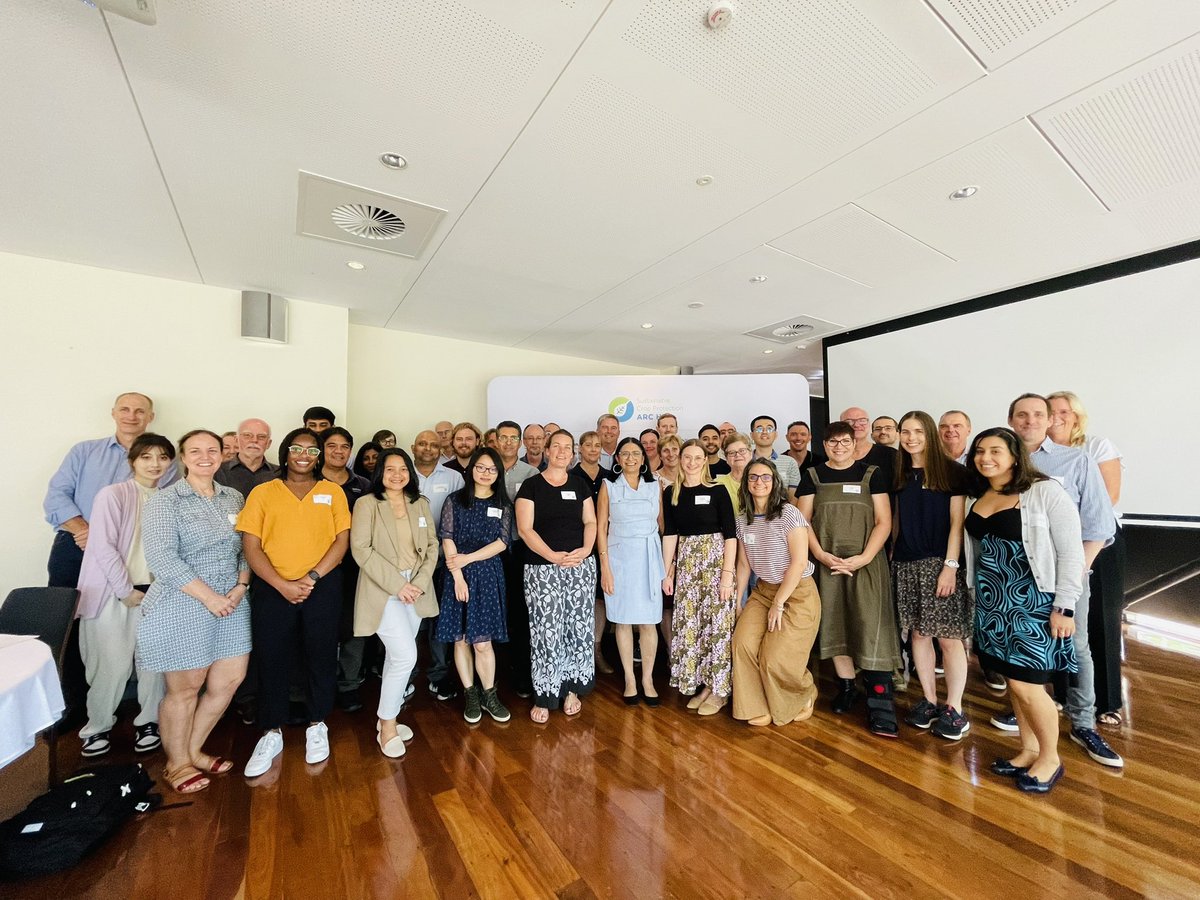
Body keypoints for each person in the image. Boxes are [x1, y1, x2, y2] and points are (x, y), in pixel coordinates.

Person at [1003, 394, 1121, 768]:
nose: (1031, 421)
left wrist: (1074, 576)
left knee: (1077, 646)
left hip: (1066, 575)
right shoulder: (1000, 459)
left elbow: (1099, 525)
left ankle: (1083, 723)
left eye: (1039, 414)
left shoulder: (1076, 460)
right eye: (1022, 415)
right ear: (1011, 420)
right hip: (1014, 578)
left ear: (1050, 420)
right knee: (1020, 651)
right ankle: (1031, 721)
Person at [966, 427, 1083, 793]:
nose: (986, 458)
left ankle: (1051, 757)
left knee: (1028, 684)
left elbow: (1071, 552)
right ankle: (1029, 748)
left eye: (996, 451)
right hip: (992, 603)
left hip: (1032, 602)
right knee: (1015, 683)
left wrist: (1064, 606)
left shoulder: (1044, 491)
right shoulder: (981, 494)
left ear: (1015, 455)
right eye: (980, 451)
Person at [44, 391, 171, 723]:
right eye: (125, 409)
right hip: (76, 544)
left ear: (150, 416)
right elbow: (57, 496)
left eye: (139, 411)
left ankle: (143, 715)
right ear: (113, 413)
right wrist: (85, 530)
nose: (132, 415)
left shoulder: (165, 465)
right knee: (73, 628)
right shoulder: (86, 451)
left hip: (138, 557)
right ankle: (73, 709)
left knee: (141, 647)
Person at [136, 429, 250, 794]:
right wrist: (208, 597)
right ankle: (177, 762)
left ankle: (193, 749)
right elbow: (162, 558)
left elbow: (248, 546)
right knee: (185, 688)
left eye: (212, 450)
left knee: (227, 681)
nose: (205, 456)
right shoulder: (166, 500)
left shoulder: (233, 496)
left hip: (232, 600)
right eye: (195, 451)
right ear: (183, 457)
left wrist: (241, 585)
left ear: (222, 455)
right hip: (184, 600)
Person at [238, 428, 351, 777]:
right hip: (273, 589)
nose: (304, 454)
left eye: (312, 450)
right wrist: (281, 584)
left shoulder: (332, 492)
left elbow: (341, 540)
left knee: (320, 654)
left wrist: (311, 578)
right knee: (272, 658)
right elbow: (251, 547)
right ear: (286, 452)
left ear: (319, 457)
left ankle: (318, 724)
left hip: (322, 587)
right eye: (297, 448)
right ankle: (271, 730)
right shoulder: (262, 493)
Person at [795, 421, 900, 737]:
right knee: (835, 621)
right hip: (827, 563)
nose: (838, 447)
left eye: (844, 441)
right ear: (824, 445)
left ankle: (880, 700)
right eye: (832, 442)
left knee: (871, 623)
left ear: (855, 443)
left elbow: (884, 521)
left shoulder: (871, 474)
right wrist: (822, 555)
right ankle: (846, 686)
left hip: (866, 563)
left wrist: (865, 557)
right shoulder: (813, 476)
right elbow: (803, 522)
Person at [76, 433, 174, 758]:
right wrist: (124, 590)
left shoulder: (168, 498)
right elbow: (101, 546)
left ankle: (149, 722)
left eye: (162, 457)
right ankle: (97, 727)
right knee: (110, 664)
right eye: (147, 457)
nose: (155, 463)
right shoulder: (113, 494)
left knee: (152, 665)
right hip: (111, 593)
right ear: (133, 461)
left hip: (155, 593)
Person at [351, 448, 440, 756]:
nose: (397, 474)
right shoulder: (367, 504)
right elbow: (361, 550)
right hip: (383, 588)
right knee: (405, 656)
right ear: (380, 473)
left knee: (395, 657)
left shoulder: (420, 503)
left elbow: (432, 545)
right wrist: (399, 585)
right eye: (390, 469)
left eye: (403, 469)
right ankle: (387, 724)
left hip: (416, 589)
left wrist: (417, 583)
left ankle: (384, 718)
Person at [891, 411, 974, 740]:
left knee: (949, 638)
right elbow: (897, 518)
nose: (910, 437)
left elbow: (957, 523)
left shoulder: (952, 473)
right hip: (906, 564)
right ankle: (928, 699)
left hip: (941, 564)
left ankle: (955, 708)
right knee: (918, 636)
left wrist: (950, 567)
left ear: (929, 434)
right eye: (904, 432)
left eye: (917, 432)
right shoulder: (898, 473)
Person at [1047, 390, 1125, 727]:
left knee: (1100, 624)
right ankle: (1063, 695)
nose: (1058, 416)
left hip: (1098, 543)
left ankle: (1105, 702)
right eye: (1051, 410)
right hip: (1054, 548)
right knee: (1059, 625)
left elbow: (1108, 497)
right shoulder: (1036, 453)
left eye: (1065, 411)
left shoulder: (1096, 447)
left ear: (1076, 416)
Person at [516, 430, 598, 722]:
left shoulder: (580, 485)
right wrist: (551, 556)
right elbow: (525, 529)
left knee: (578, 628)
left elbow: (591, 521)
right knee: (546, 629)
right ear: (547, 451)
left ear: (572, 452)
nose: (563, 451)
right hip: (542, 568)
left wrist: (586, 550)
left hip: (580, 566)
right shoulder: (531, 486)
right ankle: (545, 693)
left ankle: (572, 689)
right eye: (557, 446)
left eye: (568, 447)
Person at [732, 459, 821, 727]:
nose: (759, 482)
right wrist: (738, 602)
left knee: (775, 657)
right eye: (753, 477)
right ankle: (755, 704)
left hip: (796, 594)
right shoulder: (742, 518)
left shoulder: (789, 514)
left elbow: (799, 562)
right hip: (763, 592)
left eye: (766, 477)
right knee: (742, 643)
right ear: (746, 483)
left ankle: (805, 693)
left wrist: (779, 603)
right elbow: (744, 564)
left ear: (775, 482)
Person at [438, 447, 513, 726]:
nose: (485, 473)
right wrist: (458, 575)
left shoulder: (503, 504)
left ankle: (489, 693)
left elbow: (502, 542)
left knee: (482, 642)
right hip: (455, 574)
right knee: (460, 638)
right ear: (471, 470)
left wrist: (468, 558)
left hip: (487, 573)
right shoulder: (455, 500)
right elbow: (447, 537)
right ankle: (470, 693)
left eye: (492, 469)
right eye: (480, 467)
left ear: (498, 473)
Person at [662, 439, 737, 716]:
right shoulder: (672, 492)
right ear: (680, 460)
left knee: (717, 626)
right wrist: (666, 571)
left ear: (705, 461)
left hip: (716, 564)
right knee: (693, 624)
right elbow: (670, 533)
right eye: (687, 457)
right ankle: (705, 684)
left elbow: (731, 535)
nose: (692, 462)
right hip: (688, 565)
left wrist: (727, 576)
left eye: (697, 457)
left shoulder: (718, 491)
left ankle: (720, 691)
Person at [597, 438, 665, 706]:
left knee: (648, 622)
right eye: (624, 453)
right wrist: (605, 567)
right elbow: (601, 528)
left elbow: (662, 526)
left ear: (643, 458)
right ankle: (629, 678)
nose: (630, 458)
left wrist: (666, 566)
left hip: (649, 558)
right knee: (623, 620)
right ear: (617, 459)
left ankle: (647, 679)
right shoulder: (608, 487)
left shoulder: (654, 486)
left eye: (635, 453)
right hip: (619, 559)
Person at [319, 428, 372, 712]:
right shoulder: (310, 482)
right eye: (332, 446)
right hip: (316, 568)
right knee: (320, 629)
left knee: (354, 628)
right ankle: (318, 686)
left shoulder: (363, 485)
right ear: (322, 449)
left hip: (355, 567)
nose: (338, 451)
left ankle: (349, 685)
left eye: (344, 446)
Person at [411, 430, 466, 700]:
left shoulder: (453, 477)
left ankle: (438, 675)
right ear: (413, 447)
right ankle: (406, 678)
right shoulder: (403, 474)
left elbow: (458, 518)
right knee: (409, 621)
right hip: (409, 561)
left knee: (438, 620)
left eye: (434, 445)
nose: (429, 449)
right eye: (423, 444)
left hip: (443, 559)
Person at [570, 431, 614, 676]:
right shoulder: (570, 477)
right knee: (579, 599)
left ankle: (596, 650)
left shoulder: (610, 477)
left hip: (606, 546)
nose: (594, 449)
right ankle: (579, 650)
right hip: (579, 545)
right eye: (589, 445)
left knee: (600, 598)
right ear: (580, 448)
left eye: (598, 445)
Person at [215, 418, 277, 500]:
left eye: (261, 437)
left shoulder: (281, 474)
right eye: (247, 435)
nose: (254, 440)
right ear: (237, 440)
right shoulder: (217, 472)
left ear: (268, 443)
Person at [750, 415, 801, 491]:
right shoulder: (744, 461)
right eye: (759, 429)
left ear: (776, 435)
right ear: (752, 435)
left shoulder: (790, 462)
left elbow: (793, 495)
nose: (764, 432)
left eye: (769, 429)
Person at [841, 406, 898, 471]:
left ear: (868, 424)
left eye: (862, 420)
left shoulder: (892, 455)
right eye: (849, 421)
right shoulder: (831, 454)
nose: (856, 425)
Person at [716, 432, 753, 516]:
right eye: (732, 452)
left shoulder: (760, 480)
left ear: (751, 454)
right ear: (726, 458)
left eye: (742, 451)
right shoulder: (717, 483)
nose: (737, 455)